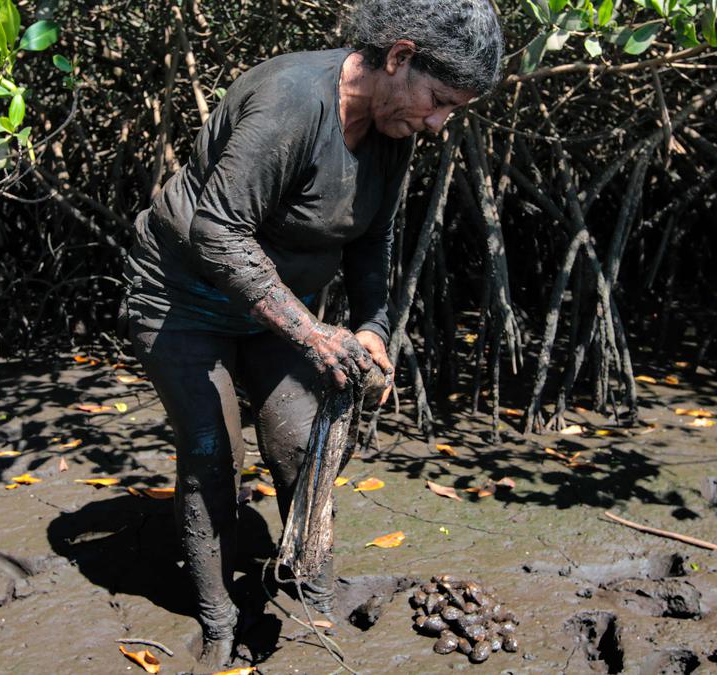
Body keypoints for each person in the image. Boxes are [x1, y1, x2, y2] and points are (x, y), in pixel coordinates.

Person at [122, 0, 503, 669]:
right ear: (399, 57)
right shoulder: (292, 102)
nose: (440, 124)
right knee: (213, 453)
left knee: (303, 443)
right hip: (183, 296)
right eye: (439, 100)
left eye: (454, 111)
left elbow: (370, 239)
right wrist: (316, 335)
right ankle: (216, 617)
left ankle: (308, 589)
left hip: (279, 304)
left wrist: (372, 325)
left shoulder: (394, 130)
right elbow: (217, 231)